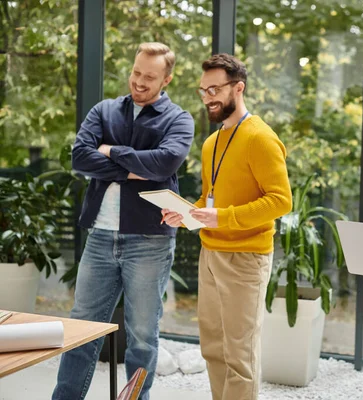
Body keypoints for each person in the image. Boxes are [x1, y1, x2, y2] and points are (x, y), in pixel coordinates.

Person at [53, 42, 194, 400]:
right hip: (100, 236)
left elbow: (165, 164)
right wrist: (137, 168)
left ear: (166, 79)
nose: (139, 82)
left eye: (149, 77)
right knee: (81, 328)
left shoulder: (179, 119)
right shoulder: (104, 110)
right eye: (136, 73)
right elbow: (80, 158)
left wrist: (112, 151)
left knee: (143, 335)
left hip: (149, 240)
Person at [161, 53, 292, 400]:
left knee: (240, 356)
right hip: (211, 253)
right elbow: (211, 199)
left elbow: (281, 201)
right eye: (203, 91)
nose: (208, 98)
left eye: (215, 89)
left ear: (239, 88)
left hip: (245, 258)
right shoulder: (211, 142)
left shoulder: (260, 138)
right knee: (213, 349)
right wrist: (185, 213)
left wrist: (223, 217)